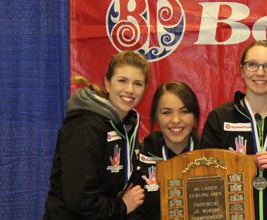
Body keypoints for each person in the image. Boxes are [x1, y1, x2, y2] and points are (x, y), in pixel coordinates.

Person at [199, 40, 267, 220]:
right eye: (252, 65)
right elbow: (204, 178)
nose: (260, 72)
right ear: (241, 70)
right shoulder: (220, 118)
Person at [44, 51, 149, 219]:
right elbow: (81, 201)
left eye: (138, 83)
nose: (130, 89)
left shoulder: (126, 127)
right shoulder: (85, 126)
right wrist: (122, 206)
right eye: (122, 80)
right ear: (108, 83)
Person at [132, 81, 200, 219]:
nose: (175, 120)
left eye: (184, 111)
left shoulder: (210, 153)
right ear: (156, 116)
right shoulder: (139, 156)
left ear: (195, 117)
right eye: (166, 112)